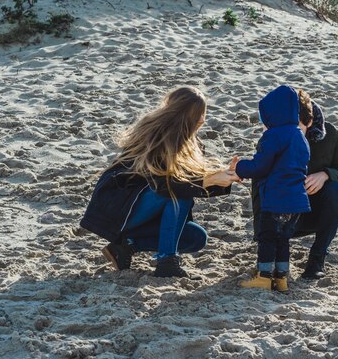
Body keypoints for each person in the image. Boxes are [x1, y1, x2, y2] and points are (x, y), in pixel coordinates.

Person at [80, 86, 239, 278]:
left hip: (143, 209)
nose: (202, 120)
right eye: (199, 114)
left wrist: (222, 179)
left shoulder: (191, 142)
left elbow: (192, 183)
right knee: (178, 193)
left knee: (196, 238)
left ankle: (126, 246)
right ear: (183, 115)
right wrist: (210, 179)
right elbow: (165, 186)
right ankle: (167, 262)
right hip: (118, 211)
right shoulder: (157, 137)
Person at [252, 89, 338, 280]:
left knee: (337, 192)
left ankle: (317, 259)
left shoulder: (329, 135)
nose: (289, 132)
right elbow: (259, 186)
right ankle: (271, 265)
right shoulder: (273, 137)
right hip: (278, 213)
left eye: (296, 127)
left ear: (309, 123)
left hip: (312, 212)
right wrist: (262, 233)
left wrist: (325, 174)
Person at [234, 85, 313, 292]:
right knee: (283, 239)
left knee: (267, 237)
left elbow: (261, 165)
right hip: (296, 200)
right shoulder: (300, 137)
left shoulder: (274, 135)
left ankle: (264, 276)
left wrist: (240, 166)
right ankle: (282, 277)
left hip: (276, 198)